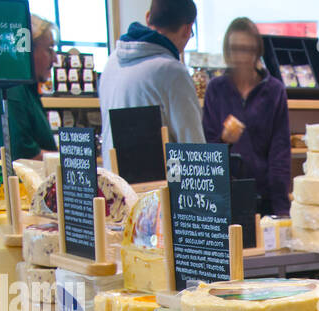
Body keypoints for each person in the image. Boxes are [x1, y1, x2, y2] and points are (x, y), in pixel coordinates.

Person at [98, 0, 205, 168]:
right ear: (186, 29)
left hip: (114, 187)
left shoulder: (111, 63)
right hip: (155, 192)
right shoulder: (172, 72)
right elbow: (195, 151)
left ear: (148, 18)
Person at [202, 18, 291, 216]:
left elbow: (280, 153)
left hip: (265, 199)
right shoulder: (215, 89)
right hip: (225, 199)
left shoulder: (274, 91)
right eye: (235, 49)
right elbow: (207, 152)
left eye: (247, 49)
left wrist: (282, 211)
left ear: (257, 51)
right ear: (227, 51)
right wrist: (225, 140)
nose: (241, 57)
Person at [0, 15, 57, 161]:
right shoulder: (11, 87)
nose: (55, 58)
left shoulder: (23, 87)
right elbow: (22, 157)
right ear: (27, 50)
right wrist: (73, 159)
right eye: (49, 50)